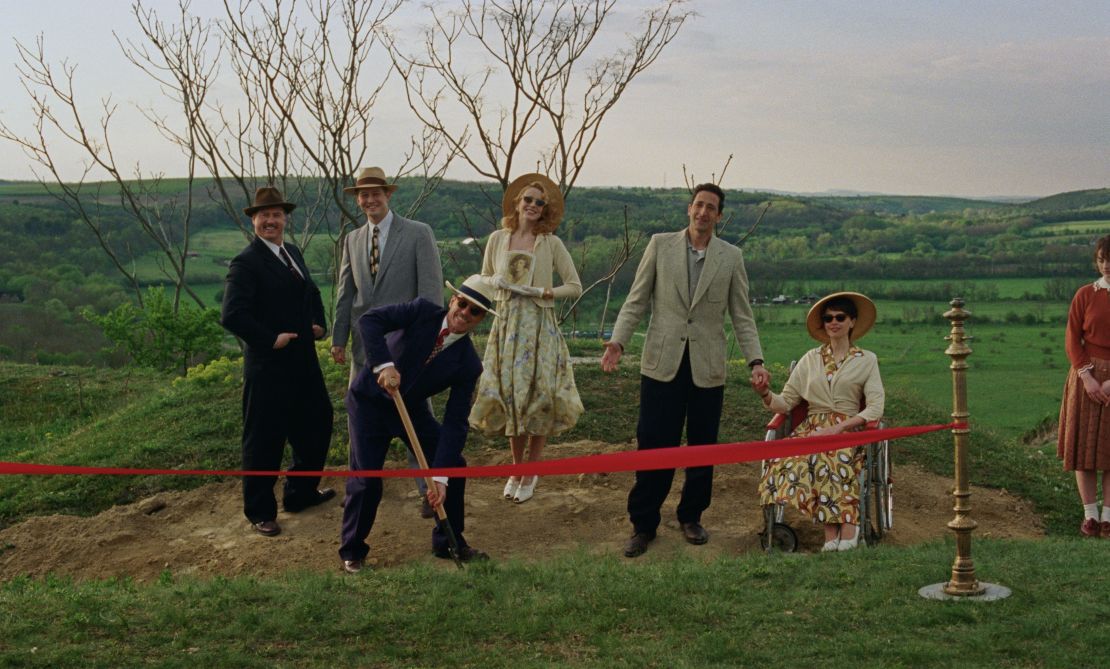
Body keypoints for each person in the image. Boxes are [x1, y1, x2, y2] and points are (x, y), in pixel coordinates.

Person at [601, 183, 769, 557]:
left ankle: (691, 516)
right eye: (698, 205)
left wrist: (755, 361)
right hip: (662, 364)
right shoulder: (660, 245)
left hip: (707, 368)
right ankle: (643, 524)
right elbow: (637, 299)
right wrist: (618, 341)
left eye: (711, 208)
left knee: (702, 446)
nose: (703, 212)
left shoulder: (731, 257)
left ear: (719, 216)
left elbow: (742, 315)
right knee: (653, 445)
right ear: (688, 209)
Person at [339, 275, 496, 573]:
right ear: (453, 300)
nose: (465, 313)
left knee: (454, 468)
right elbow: (370, 321)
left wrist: (440, 477)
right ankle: (352, 550)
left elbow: (455, 423)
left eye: (475, 311)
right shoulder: (422, 311)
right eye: (463, 304)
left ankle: (448, 542)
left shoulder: (469, 364)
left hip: (409, 409)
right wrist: (384, 365)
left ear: (481, 319)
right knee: (367, 477)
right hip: (370, 402)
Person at [220, 187, 336, 537]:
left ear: (285, 218)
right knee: (264, 439)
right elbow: (232, 315)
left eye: (276, 214)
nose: (270, 221)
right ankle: (260, 512)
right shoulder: (246, 262)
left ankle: (300, 494)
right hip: (268, 367)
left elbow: (312, 293)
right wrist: (271, 339)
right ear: (253, 220)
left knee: (317, 423)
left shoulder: (293, 253)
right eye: (263, 215)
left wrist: (318, 324)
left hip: (303, 362)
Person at [331, 166, 444, 518]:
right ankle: (358, 488)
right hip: (365, 348)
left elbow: (431, 294)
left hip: (406, 347)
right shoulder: (352, 239)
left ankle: (429, 489)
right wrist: (338, 337)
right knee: (358, 416)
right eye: (363, 195)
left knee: (416, 417)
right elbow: (345, 292)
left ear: (388, 195)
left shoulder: (417, 233)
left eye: (375, 193)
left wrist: (427, 343)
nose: (369, 200)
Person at [469, 174, 584, 503]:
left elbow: (574, 286)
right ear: (516, 204)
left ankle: (532, 470)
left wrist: (541, 291)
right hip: (505, 326)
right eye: (528, 200)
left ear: (545, 209)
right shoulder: (497, 239)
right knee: (510, 399)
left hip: (539, 327)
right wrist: (499, 283)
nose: (532, 206)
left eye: (539, 202)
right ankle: (517, 469)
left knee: (538, 398)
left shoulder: (551, 243)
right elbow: (484, 278)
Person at [751, 292, 884, 552]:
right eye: (828, 318)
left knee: (832, 454)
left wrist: (840, 428)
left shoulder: (867, 360)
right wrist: (765, 393)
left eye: (840, 317)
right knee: (793, 459)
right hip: (812, 427)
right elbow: (786, 402)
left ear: (852, 322)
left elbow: (876, 406)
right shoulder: (810, 359)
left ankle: (844, 526)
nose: (833, 322)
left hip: (848, 429)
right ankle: (834, 530)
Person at [1058, 234, 1110, 538]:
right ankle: (1090, 515)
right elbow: (1071, 338)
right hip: (1084, 379)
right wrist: (1087, 377)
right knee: (1084, 451)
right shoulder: (1084, 295)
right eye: (1102, 259)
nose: (1106, 266)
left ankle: (1108, 517)